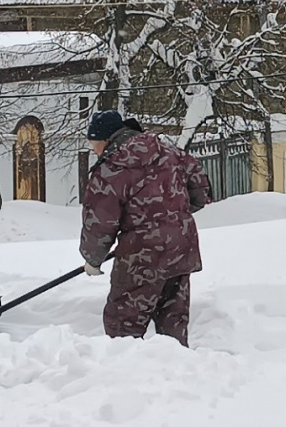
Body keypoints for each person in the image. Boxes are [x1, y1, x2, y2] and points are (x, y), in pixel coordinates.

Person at [79, 109, 211, 347]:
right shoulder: (170, 152)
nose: (94, 151)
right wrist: (169, 216)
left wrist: (92, 258)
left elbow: (100, 222)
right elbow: (201, 193)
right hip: (181, 250)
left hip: (141, 258)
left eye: (94, 144)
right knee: (173, 325)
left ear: (106, 139)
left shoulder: (112, 168)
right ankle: (176, 374)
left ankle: (126, 378)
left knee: (123, 325)